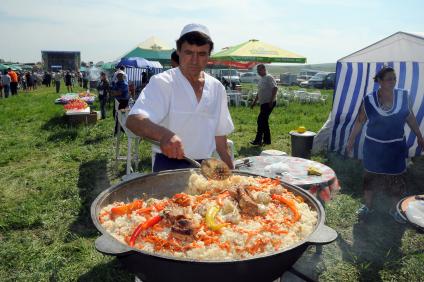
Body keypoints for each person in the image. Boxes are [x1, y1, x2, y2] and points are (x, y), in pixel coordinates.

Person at [126, 23, 234, 172]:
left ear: (209, 55)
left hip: (205, 167)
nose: (195, 60)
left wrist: (232, 170)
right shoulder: (163, 82)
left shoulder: (217, 88)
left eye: (201, 54)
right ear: (178, 52)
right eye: (189, 52)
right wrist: (164, 134)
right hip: (169, 166)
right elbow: (133, 120)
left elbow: (220, 137)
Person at [347, 66, 424, 223]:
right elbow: (360, 120)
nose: (393, 81)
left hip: (395, 146)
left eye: (394, 78)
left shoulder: (403, 96)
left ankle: (394, 209)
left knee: (396, 179)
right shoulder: (369, 100)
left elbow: (410, 117)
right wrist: (351, 140)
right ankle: (368, 206)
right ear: (380, 81)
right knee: (370, 177)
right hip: (374, 146)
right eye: (389, 79)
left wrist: (419, 136)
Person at [249, 64, 278, 146]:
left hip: (269, 102)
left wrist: (271, 101)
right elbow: (259, 92)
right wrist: (254, 102)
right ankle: (267, 140)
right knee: (264, 121)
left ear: (264, 69)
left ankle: (258, 140)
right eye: (257, 71)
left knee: (261, 120)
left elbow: (275, 88)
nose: (258, 72)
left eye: (260, 70)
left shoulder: (269, 77)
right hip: (263, 103)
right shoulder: (261, 79)